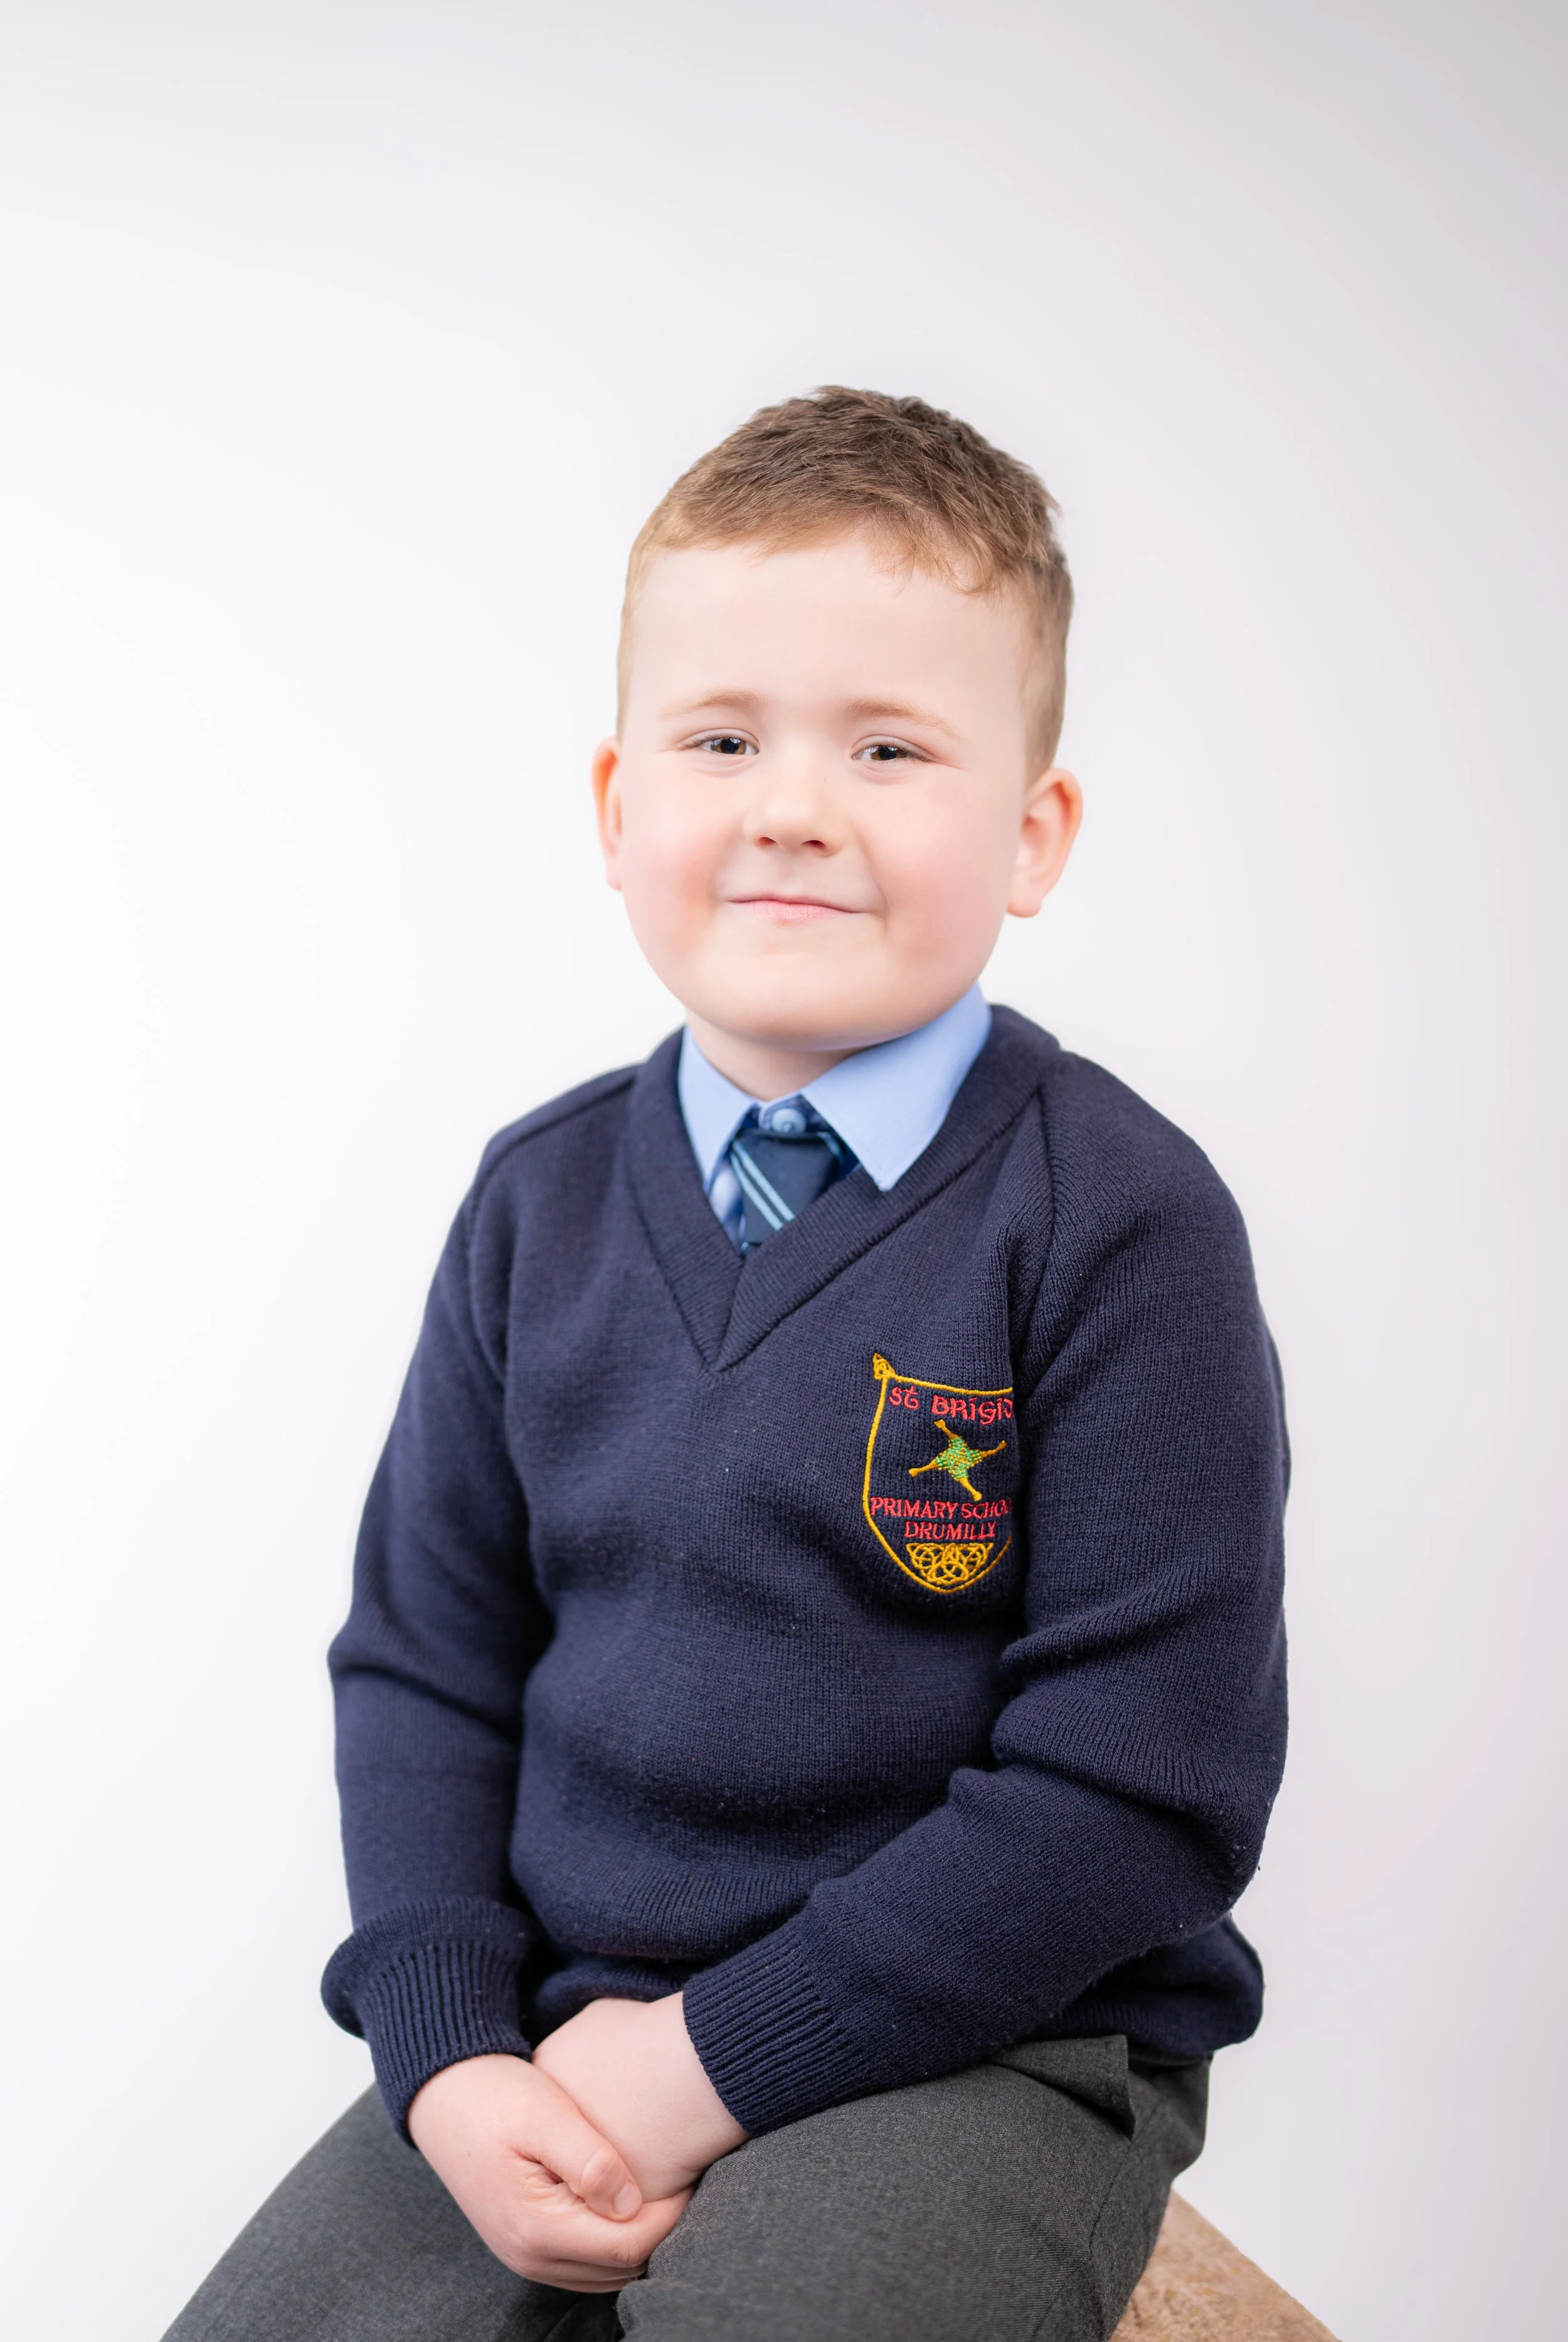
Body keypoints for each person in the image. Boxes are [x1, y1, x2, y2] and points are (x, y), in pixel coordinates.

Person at [166, 388, 1288, 2342]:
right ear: (618, 809)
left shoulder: (1116, 1218)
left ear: (1032, 833)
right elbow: (426, 1662)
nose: (791, 802)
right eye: (721, 737)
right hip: (551, 2025)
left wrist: (697, 2064)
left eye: (884, 744)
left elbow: (1139, 1787)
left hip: (979, 2045)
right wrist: (446, 2051)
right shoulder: (535, 1202)